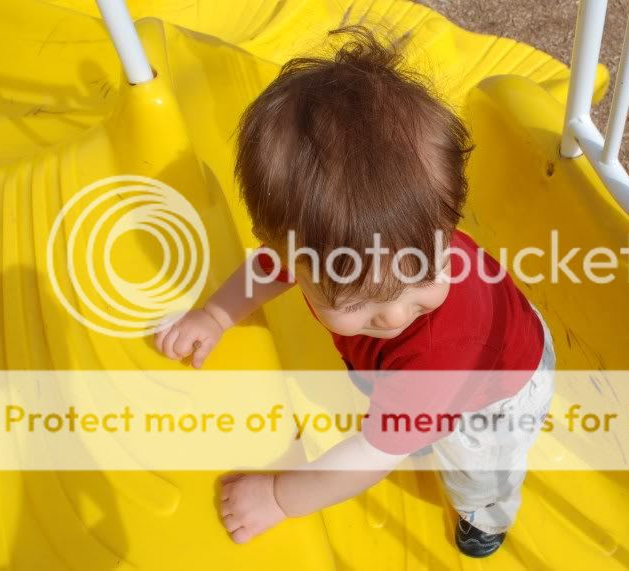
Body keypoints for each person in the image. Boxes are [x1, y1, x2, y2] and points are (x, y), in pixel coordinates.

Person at [155, 25, 554, 558]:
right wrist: (216, 315)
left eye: (425, 274)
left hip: (493, 393)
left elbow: (373, 455)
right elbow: (271, 269)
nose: (394, 315)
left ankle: (486, 516)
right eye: (357, 301)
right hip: (429, 373)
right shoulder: (323, 243)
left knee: (478, 469)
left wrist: (278, 497)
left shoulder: (437, 351)